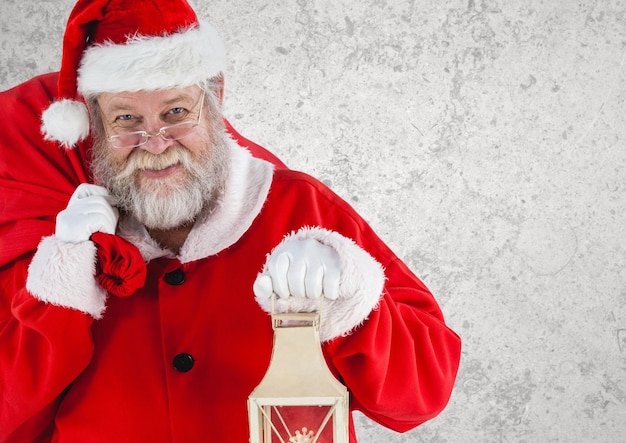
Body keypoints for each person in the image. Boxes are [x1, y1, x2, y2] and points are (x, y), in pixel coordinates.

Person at [0, 0, 462, 441]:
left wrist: (352, 297)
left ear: (215, 96)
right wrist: (62, 280)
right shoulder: (64, 236)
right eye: (127, 118)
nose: (156, 143)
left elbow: (422, 393)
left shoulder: (299, 206)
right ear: (97, 125)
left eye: (176, 112)